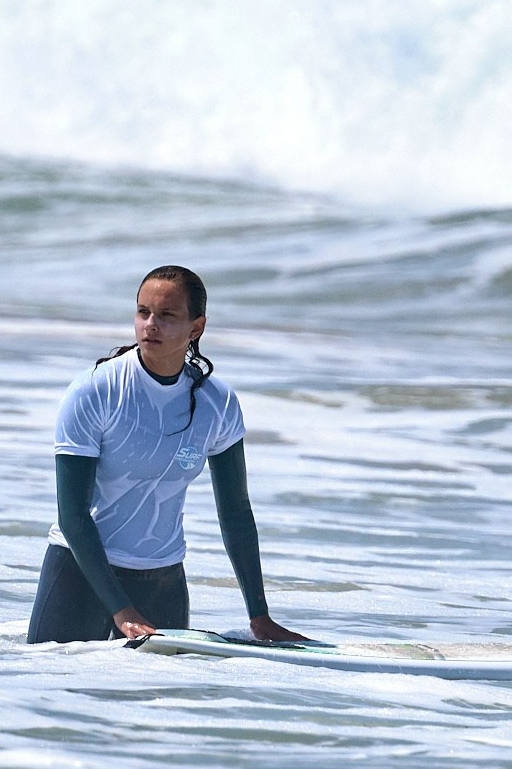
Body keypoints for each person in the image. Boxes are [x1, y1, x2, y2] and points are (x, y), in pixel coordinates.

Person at [26, 265, 308, 645]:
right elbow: (73, 515)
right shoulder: (95, 392)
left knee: (163, 700)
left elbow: (236, 512)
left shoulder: (216, 403)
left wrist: (259, 615)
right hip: (80, 576)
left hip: (162, 580)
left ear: (196, 328)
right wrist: (121, 610)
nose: (150, 325)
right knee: (60, 691)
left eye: (166, 315)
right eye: (143, 313)